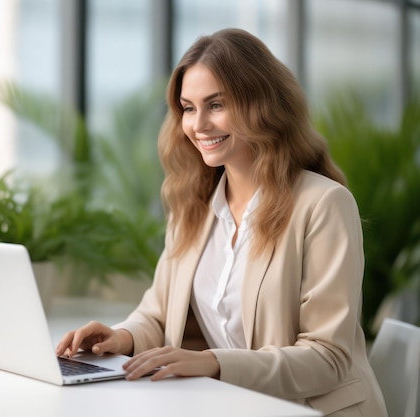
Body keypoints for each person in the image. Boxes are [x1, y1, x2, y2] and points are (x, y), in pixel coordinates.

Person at [56, 28, 388, 416]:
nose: (198, 125)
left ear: (261, 104)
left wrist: (214, 363)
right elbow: (159, 312)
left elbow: (327, 357)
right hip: (234, 405)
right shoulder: (191, 204)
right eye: (188, 107)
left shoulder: (323, 204)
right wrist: (124, 337)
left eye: (216, 105)